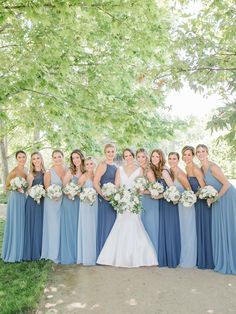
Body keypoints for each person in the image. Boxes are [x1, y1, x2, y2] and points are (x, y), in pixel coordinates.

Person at [97, 148, 157, 267]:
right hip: (122, 202)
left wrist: (138, 193)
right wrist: (119, 196)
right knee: (120, 225)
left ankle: (138, 257)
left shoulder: (139, 169)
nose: (128, 157)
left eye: (130, 155)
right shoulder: (119, 169)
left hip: (134, 201)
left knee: (135, 224)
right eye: (126, 156)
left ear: (133, 157)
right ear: (123, 158)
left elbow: (142, 186)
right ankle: (116, 257)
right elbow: (117, 185)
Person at [196, 144, 236, 274]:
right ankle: (223, 258)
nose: (201, 154)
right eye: (198, 152)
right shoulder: (202, 168)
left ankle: (231, 260)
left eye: (203, 151)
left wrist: (215, 198)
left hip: (227, 197)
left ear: (207, 153)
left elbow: (227, 184)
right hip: (218, 198)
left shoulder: (213, 167)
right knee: (221, 228)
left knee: (228, 227)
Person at [182, 145, 214, 269]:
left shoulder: (195, 169)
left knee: (204, 229)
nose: (186, 157)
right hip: (195, 203)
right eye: (184, 154)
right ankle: (201, 258)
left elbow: (203, 187)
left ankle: (207, 260)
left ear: (193, 156)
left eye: (189, 154)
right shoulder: (186, 167)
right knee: (198, 230)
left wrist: (192, 196)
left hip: (202, 203)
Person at [150, 149, 181, 268]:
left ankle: (171, 259)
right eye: (153, 156)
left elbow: (172, 189)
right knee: (165, 229)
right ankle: (166, 258)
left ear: (161, 158)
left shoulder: (163, 171)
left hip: (168, 204)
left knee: (169, 229)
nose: (154, 158)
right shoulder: (157, 170)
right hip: (164, 203)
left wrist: (159, 196)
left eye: (157, 156)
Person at [168, 152, 197, 268]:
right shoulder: (171, 172)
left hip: (186, 205)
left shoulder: (180, 174)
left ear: (178, 160)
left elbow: (189, 191)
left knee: (187, 231)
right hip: (179, 205)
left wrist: (181, 199)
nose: (171, 161)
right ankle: (183, 256)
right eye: (169, 159)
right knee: (182, 231)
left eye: (174, 159)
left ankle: (189, 259)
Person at [59, 149, 84, 264]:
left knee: (78, 227)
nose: (75, 160)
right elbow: (64, 186)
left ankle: (78, 254)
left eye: (77, 157)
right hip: (69, 202)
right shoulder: (70, 171)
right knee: (69, 227)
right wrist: (69, 192)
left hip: (80, 202)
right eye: (73, 158)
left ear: (81, 157)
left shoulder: (86, 171)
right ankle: (69, 254)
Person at [2, 150, 28, 262]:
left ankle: (22, 250)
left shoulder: (27, 170)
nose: (22, 159)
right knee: (15, 223)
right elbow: (6, 187)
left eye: (23, 157)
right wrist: (16, 188)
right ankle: (14, 251)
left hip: (23, 198)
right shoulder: (14, 171)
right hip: (15, 199)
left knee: (22, 222)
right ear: (17, 159)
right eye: (19, 157)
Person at [41, 149, 66, 263]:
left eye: (59, 156)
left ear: (62, 157)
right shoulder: (49, 172)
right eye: (55, 157)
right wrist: (53, 195)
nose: (57, 159)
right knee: (53, 226)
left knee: (61, 226)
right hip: (52, 202)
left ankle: (62, 251)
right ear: (52, 159)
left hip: (63, 201)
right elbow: (46, 187)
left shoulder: (67, 170)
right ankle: (52, 253)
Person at [94, 144, 117, 257]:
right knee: (105, 223)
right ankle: (103, 253)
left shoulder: (116, 166)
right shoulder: (103, 165)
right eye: (108, 151)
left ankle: (111, 254)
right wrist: (103, 195)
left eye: (112, 151)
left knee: (113, 224)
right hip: (104, 199)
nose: (110, 153)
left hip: (113, 199)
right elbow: (95, 182)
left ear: (115, 152)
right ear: (105, 153)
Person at [136, 148, 159, 256]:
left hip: (150, 202)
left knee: (151, 226)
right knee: (142, 227)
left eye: (143, 157)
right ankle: (144, 255)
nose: (141, 159)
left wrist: (142, 191)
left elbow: (155, 190)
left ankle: (153, 255)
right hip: (141, 201)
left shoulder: (148, 171)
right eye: (139, 157)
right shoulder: (138, 169)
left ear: (146, 157)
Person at [23, 152, 45, 260]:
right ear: (32, 161)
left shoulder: (46, 172)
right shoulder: (31, 174)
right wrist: (35, 193)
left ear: (41, 159)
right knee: (33, 226)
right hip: (32, 203)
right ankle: (32, 252)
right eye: (34, 159)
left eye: (38, 158)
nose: (36, 160)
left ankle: (41, 250)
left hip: (42, 203)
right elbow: (27, 190)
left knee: (40, 226)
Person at [77, 157, 98, 265]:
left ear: (94, 164)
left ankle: (95, 255)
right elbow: (76, 190)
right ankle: (87, 257)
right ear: (84, 166)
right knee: (87, 228)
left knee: (95, 228)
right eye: (87, 164)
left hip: (95, 205)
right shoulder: (83, 176)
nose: (89, 166)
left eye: (91, 163)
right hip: (85, 204)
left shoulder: (96, 175)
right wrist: (85, 196)